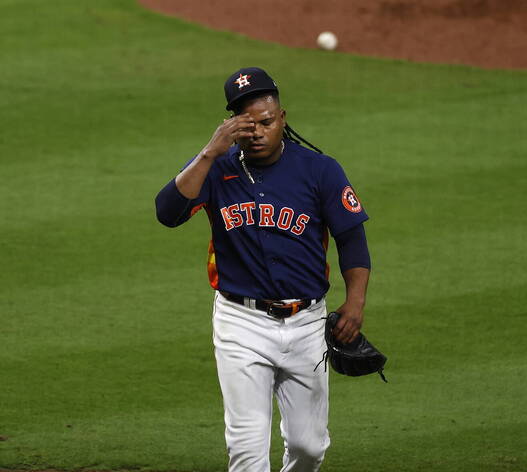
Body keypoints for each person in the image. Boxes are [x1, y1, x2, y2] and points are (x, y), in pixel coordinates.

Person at [154, 66, 371, 472]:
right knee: (247, 449)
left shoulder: (319, 170)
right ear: (231, 124)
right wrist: (208, 152)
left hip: (307, 323)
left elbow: (352, 240)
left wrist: (355, 303)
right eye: (245, 123)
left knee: (309, 447)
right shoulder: (215, 168)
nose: (256, 131)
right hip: (241, 323)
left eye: (266, 122)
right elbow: (167, 213)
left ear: (282, 118)